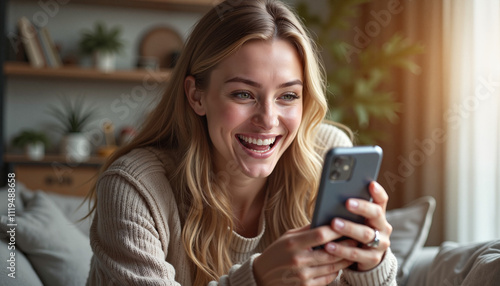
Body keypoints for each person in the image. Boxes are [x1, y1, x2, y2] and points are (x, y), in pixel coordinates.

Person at [86, 0, 397, 285]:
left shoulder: (325, 153)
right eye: (243, 94)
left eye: (288, 96)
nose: (269, 119)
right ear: (197, 96)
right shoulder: (134, 187)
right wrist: (257, 279)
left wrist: (369, 268)